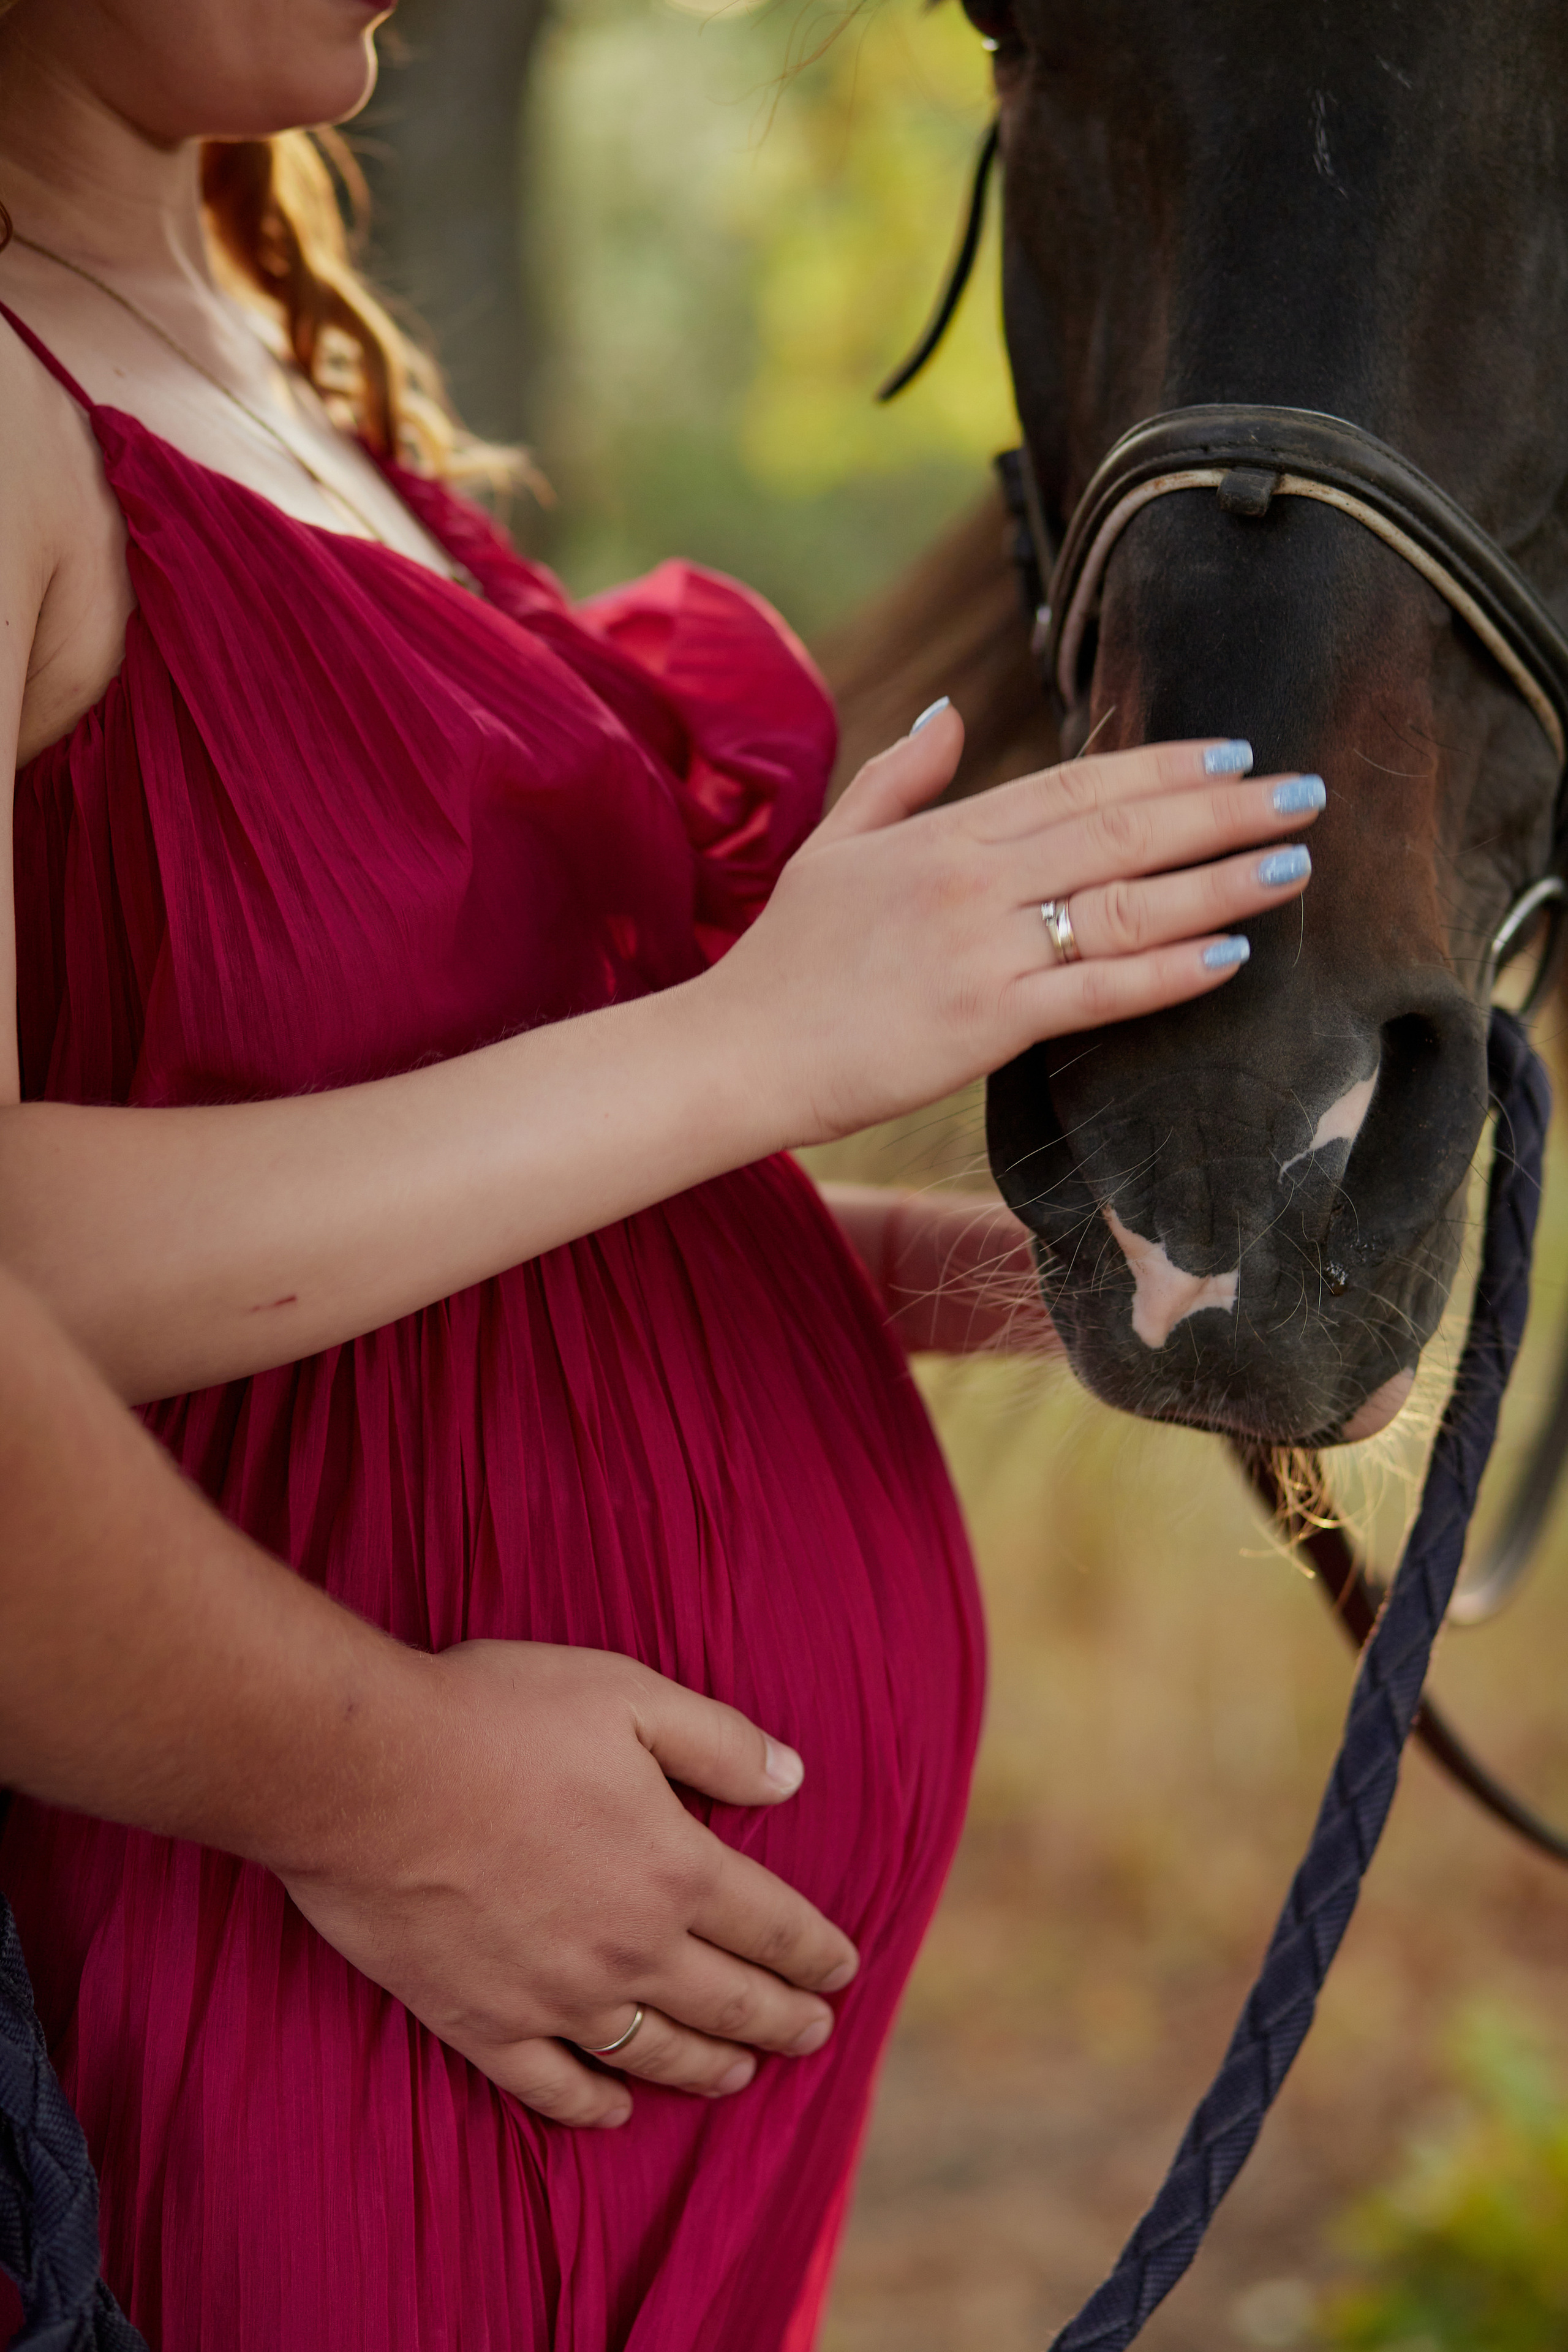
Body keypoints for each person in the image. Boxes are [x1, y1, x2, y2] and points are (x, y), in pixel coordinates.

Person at [0, 1, 1319, 2343]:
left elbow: (293, 1147)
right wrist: (386, 1793)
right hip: (302, 2023)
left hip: (611, 2096)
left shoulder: (248, 338)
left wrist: (852, 1269)